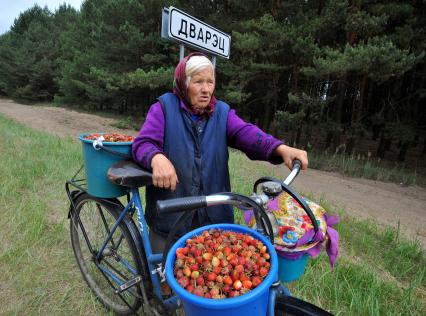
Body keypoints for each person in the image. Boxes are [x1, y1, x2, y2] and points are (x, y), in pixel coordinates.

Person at [132, 52, 308, 253]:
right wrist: (156, 157)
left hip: (213, 217)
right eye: (198, 82)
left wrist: (280, 148)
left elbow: (246, 133)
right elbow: (143, 143)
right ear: (183, 83)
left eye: (210, 82)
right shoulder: (163, 108)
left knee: (210, 278)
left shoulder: (222, 112)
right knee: (164, 278)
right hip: (171, 217)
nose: (206, 89)